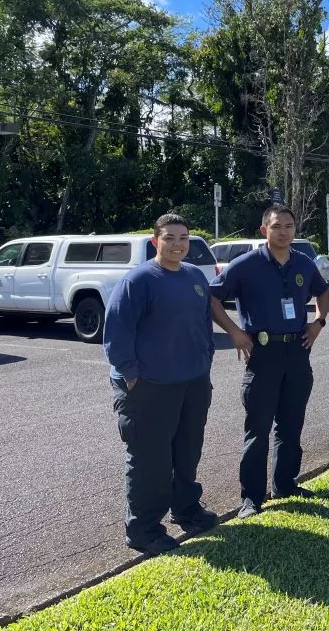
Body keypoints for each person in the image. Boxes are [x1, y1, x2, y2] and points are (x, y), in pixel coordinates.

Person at [104, 213, 217, 555]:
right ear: (155, 242)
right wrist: (132, 375)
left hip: (192, 382)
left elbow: (203, 323)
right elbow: (117, 333)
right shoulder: (138, 281)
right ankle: (143, 530)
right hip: (148, 386)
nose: (178, 244)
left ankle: (186, 509)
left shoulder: (195, 277)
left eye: (184, 238)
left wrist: (204, 361)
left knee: (186, 451)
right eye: (170, 238)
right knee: (150, 460)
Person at [209, 205, 329, 520]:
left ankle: (285, 484)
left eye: (289, 226)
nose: (284, 232)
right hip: (262, 355)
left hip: (297, 354)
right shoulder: (245, 265)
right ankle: (251, 497)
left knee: (291, 426)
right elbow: (212, 298)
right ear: (265, 230)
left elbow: (322, 294)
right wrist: (235, 331)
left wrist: (318, 324)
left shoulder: (304, 263)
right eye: (277, 226)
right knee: (258, 429)